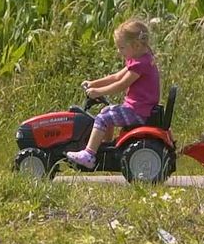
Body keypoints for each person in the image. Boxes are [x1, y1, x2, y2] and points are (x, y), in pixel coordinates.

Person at [65, 18, 160, 169]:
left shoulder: (140, 65)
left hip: (138, 111)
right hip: (137, 108)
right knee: (106, 111)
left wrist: (98, 92)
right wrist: (93, 83)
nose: (119, 51)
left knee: (102, 118)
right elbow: (115, 77)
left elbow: (121, 84)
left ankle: (89, 155)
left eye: (122, 48)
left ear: (135, 46)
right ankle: (105, 147)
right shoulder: (140, 59)